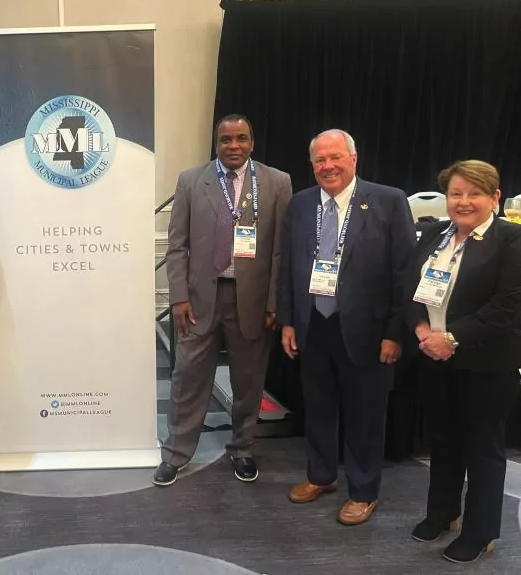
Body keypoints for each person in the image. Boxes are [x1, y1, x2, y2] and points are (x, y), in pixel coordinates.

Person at [277, 129, 416, 525]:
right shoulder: (301, 204)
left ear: (353, 159)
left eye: (335, 157)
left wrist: (395, 332)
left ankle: (363, 491)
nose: (328, 166)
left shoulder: (388, 201)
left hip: (368, 331)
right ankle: (321, 475)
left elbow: (405, 273)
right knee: (318, 407)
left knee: (365, 415)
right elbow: (288, 266)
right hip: (313, 324)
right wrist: (288, 320)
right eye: (320, 160)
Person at [153, 114, 293, 487]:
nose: (234, 145)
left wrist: (274, 302)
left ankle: (242, 448)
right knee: (187, 378)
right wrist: (178, 297)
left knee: (248, 381)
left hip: (252, 301)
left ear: (252, 142)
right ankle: (176, 454)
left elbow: (281, 250)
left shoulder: (277, 182)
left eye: (241, 138)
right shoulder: (191, 181)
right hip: (199, 300)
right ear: (216, 144)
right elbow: (177, 245)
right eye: (226, 139)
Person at [405, 160, 521, 564]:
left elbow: (508, 306)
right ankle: (443, 512)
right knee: (443, 440)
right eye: (456, 193)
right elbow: (410, 287)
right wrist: (422, 330)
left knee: (482, 448)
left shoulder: (511, 239)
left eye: (474, 193)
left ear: (494, 197)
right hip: (433, 356)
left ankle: (480, 531)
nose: (463, 201)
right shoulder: (435, 234)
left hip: (486, 363)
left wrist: (452, 338)